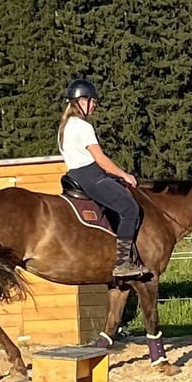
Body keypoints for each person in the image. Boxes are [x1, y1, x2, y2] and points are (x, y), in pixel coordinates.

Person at [58, 79, 149, 278]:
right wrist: (124, 175)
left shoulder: (65, 126)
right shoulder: (82, 126)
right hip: (91, 176)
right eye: (92, 101)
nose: (95, 105)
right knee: (130, 208)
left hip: (75, 174)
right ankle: (123, 263)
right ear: (81, 101)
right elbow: (100, 159)